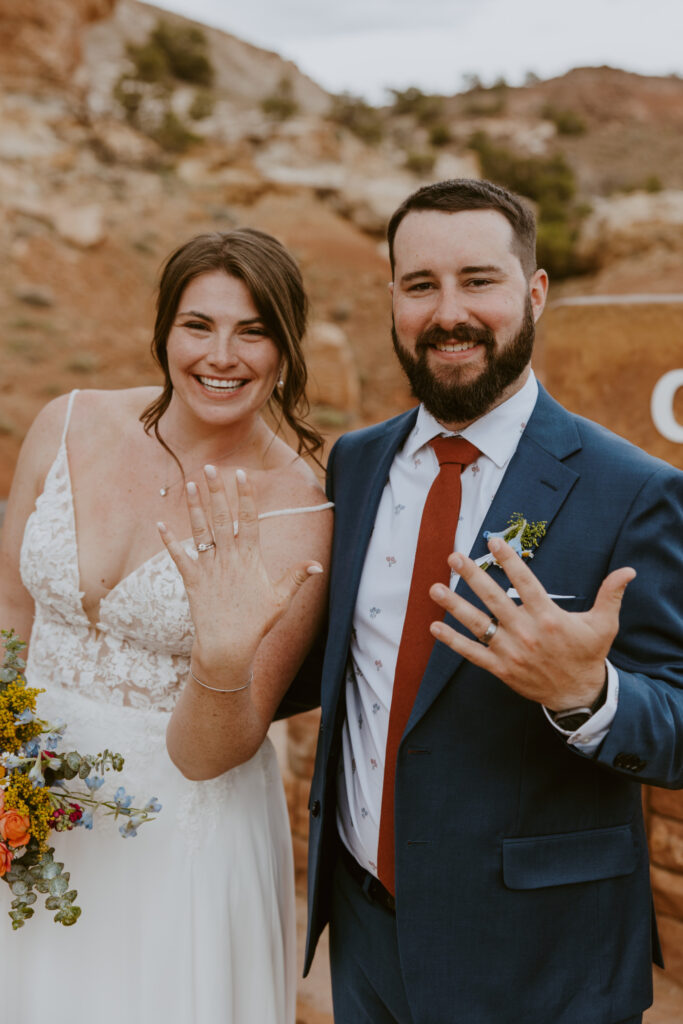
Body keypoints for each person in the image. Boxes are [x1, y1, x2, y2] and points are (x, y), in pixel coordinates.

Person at [294, 179, 683, 1023]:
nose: (448, 312)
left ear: (533, 292)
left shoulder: (633, 490)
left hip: (544, 961)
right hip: (364, 941)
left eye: (478, 280)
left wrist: (588, 694)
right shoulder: (354, 465)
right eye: (419, 284)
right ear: (391, 297)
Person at [0, 228, 332, 1023]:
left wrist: (220, 650)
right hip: (29, 812)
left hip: (177, 836)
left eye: (253, 331)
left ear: (285, 349)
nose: (223, 355)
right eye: (199, 325)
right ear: (163, 330)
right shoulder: (66, 421)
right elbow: (12, 611)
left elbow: (213, 749)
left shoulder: (297, 508)